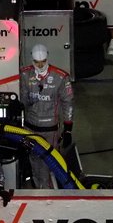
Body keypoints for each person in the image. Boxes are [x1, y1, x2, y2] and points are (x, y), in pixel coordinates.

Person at [19, 44, 74, 189]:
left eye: (43, 61)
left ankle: (51, 191)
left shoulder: (61, 77)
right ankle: (41, 190)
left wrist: (68, 128)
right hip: (30, 128)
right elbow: (22, 100)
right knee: (34, 160)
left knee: (50, 161)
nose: (40, 64)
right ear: (32, 60)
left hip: (51, 130)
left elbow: (68, 103)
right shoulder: (24, 75)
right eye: (37, 62)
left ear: (47, 57)